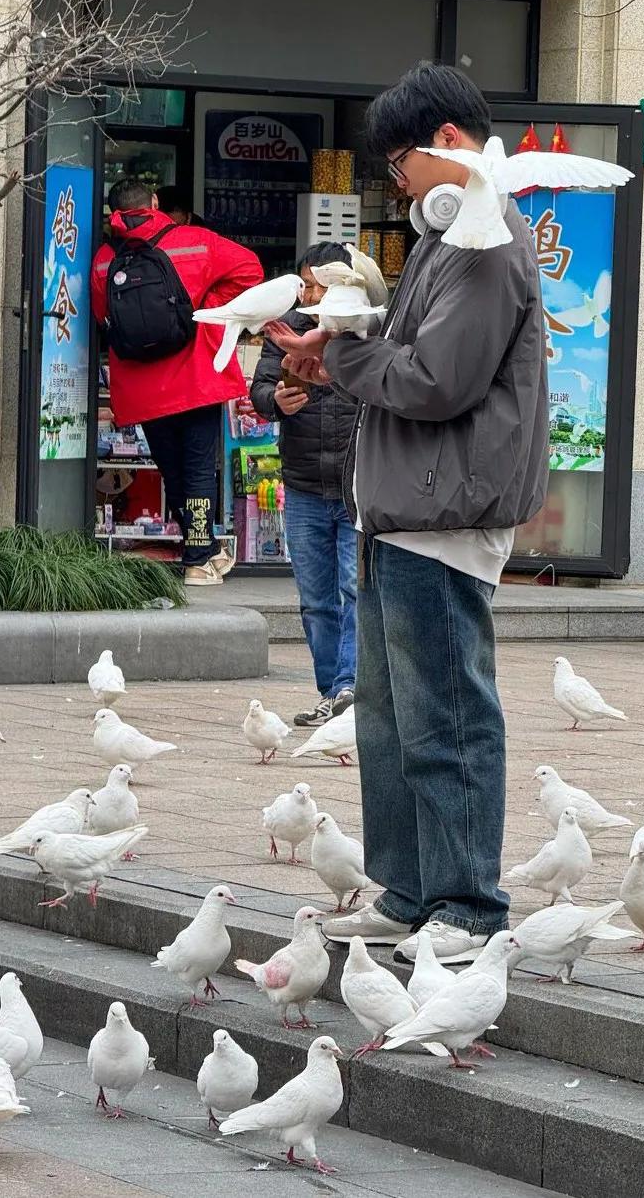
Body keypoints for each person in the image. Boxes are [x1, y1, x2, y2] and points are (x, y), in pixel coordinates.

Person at [267, 63, 549, 962]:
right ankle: (410, 889)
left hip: (445, 508)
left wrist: (341, 361)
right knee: (388, 721)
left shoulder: (483, 240)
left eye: (402, 165)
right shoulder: (449, 234)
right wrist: (340, 341)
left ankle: (467, 903)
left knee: (446, 715)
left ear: (450, 146)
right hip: (407, 506)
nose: (398, 184)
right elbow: (410, 352)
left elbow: (435, 380)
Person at [91, 178, 263, 585]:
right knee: (199, 468)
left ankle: (200, 548)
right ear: (154, 203)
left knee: (174, 470)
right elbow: (251, 272)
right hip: (196, 376)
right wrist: (204, 311)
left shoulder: (103, 259)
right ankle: (200, 559)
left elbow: (103, 318)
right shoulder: (196, 241)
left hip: (141, 387)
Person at [250, 242, 358, 727]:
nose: (310, 294)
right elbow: (258, 389)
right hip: (303, 485)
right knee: (316, 600)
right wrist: (274, 399)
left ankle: (351, 690)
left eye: (319, 285)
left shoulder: (363, 330)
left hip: (358, 488)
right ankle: (330, 692)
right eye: (305, 284)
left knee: (355, 592)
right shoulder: (286, 329)